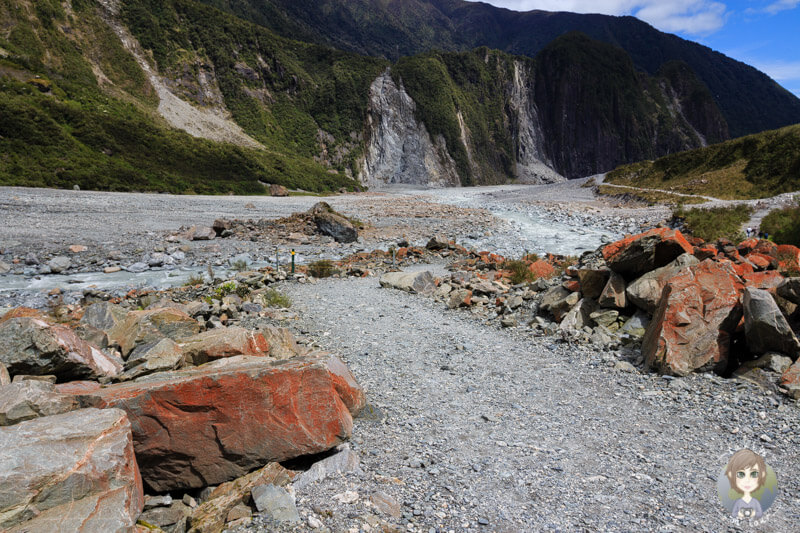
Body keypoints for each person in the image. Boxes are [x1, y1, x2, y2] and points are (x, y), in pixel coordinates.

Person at [726, 449, 766, 519]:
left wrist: (754, 513)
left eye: (754, 474)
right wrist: (739, 514)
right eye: (741, 474)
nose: (747, 480)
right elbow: (733, 514)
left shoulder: (755, 502)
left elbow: (760, 513)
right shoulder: (738, 502)